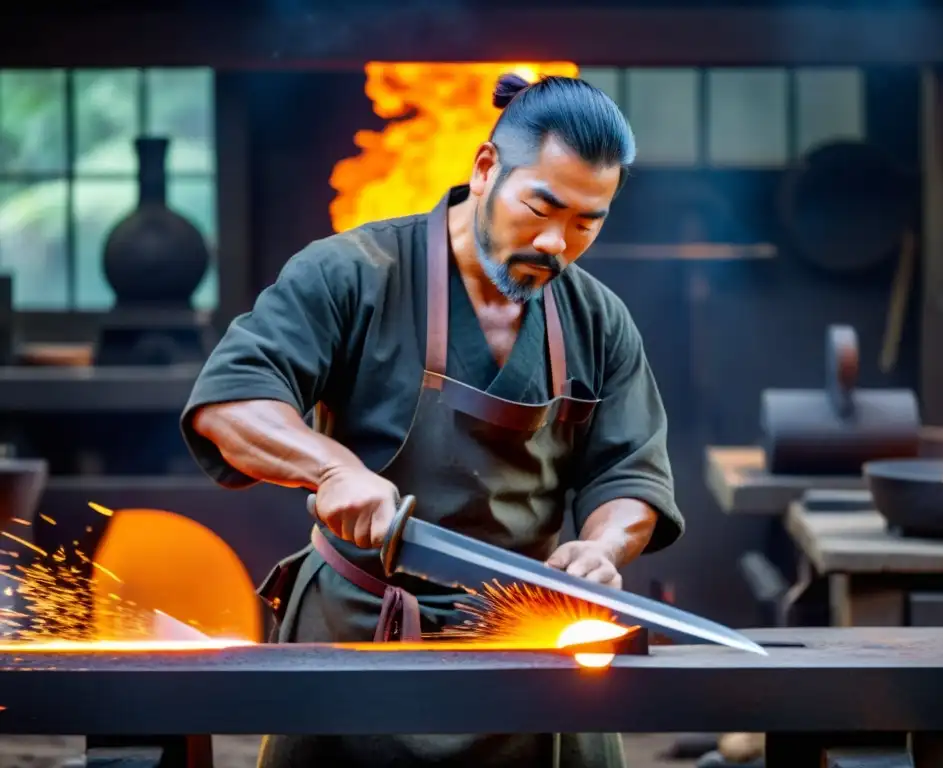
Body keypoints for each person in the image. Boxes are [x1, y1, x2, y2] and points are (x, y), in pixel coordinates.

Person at [181, 72, 684, 768]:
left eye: (585, 224)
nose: (556, 243)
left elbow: (631, 474)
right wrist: (331, 468)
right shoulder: (353, 273)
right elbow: (231, 402)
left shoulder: (597, 318)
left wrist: (601, 547)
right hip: (355, 639)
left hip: (531, 642)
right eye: (541, 207)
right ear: (485, 169)